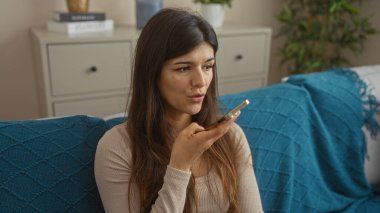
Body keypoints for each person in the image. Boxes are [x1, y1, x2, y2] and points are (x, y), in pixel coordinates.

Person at [94, 7, 263, 213]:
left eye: (208, 66)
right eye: (183, 68)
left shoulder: (231, 138)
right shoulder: (117, 149)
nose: (201, 81)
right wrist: (179, 166)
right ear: (152, 73)